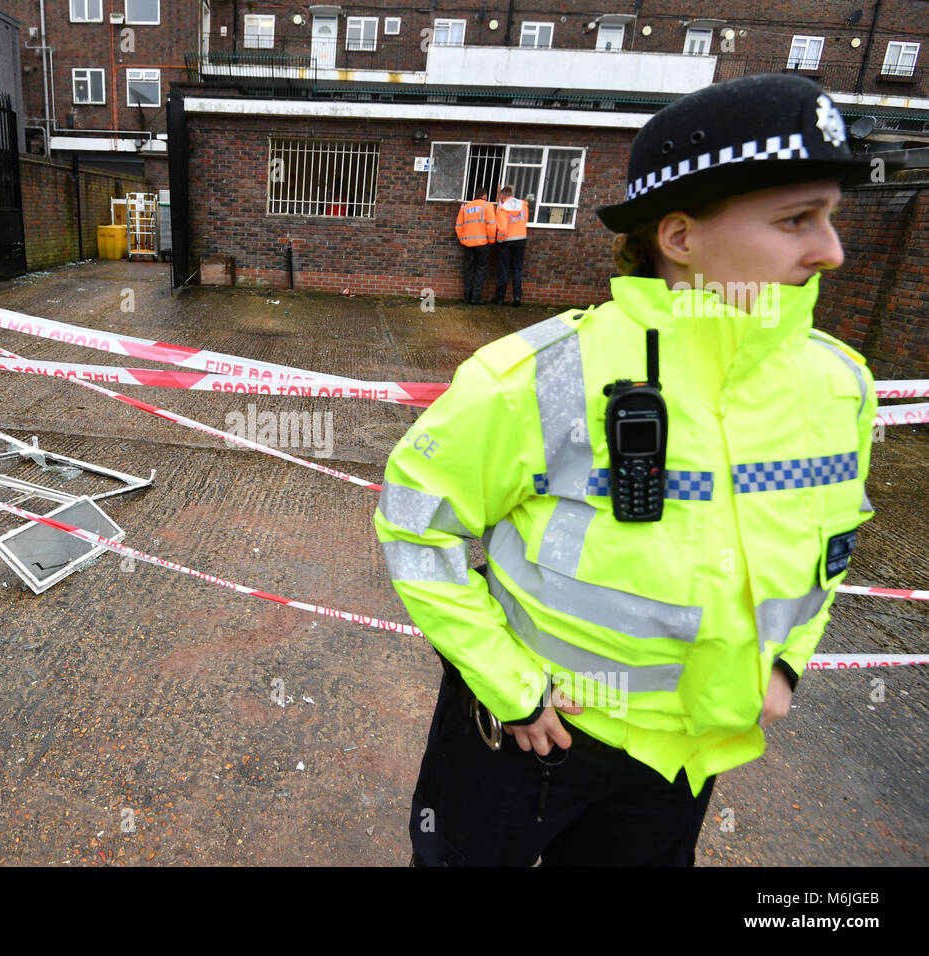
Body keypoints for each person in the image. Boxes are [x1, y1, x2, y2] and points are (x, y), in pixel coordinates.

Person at [375, 74, 879, 866]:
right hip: (524, 738)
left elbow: (832, 543)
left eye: (829, 218)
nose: (832, 250)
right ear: (678, 237)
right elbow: (415, 522)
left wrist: (786, 659)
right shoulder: (544, 374)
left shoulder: (840, 384)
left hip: (682, 761)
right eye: (796, 220)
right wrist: (510, 687)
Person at [455, 188, 498, 304]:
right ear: (484, 196)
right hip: (482, 244)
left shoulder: (465, 207)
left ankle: (467, 297)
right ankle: (476, 298)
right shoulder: (487, 206)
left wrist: (463, 240)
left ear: (475, 196)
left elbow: (458, 226)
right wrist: (491, 240)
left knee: (469, 270)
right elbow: (491, 226)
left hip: (468, 245)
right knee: (480, 271)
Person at [493, 185, 530, 306]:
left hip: (507, 242)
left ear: (502, 196)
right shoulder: (523, 205)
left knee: (503, 270)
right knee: (517, 270)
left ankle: (499, 298)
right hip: (521, 240)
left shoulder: (502, 209)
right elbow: (525, 220)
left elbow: (502, 229)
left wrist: (499, 241)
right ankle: (517, 297)